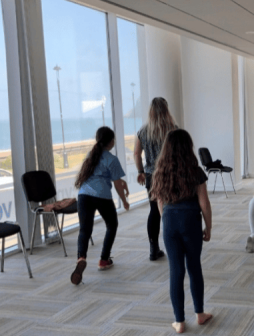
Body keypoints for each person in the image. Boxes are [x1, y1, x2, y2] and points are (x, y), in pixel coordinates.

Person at [150, 129, 213, 333]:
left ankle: (179, 321)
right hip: (191, 221)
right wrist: (208, 226)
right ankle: (200, 314)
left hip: (169, 221)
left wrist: (167, 221)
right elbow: (204, 203)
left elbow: (160, 203)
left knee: (175, 271)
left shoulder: (160, 171)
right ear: (189, 147)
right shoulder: (195, 171)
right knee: (194, 267)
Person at [71, 127, 130, 285]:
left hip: (84, 195)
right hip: (102, 196)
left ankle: (81, 257)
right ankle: (104, 259)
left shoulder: (91, 155)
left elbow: (107, 177)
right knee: (112, 224)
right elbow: (117, 185)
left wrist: (120, 182)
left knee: (85, 229)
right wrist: (124, 201)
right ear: (111, 142)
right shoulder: (112, 159)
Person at [134, 97, 178, 261]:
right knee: (172, 208)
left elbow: (136, 153)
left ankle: (154, 248)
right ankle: (174, 245)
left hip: (152, 176)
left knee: (154, 211)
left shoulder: (143, 131)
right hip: (171, 174)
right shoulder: (173, 129)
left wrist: (140, 171)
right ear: (166, 110)